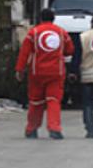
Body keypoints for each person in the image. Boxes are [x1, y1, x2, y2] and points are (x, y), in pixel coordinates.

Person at [15, 9, 74, 140]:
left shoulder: (33, 33)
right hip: (56, 72)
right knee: (54, 101)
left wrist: (20, 70)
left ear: (40, 18)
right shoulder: (61, 32)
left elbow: (24, 53)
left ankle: (32, 129)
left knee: (36, 102)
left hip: (37, 73)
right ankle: (54, 128)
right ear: (53, 19)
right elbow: (70, 50)